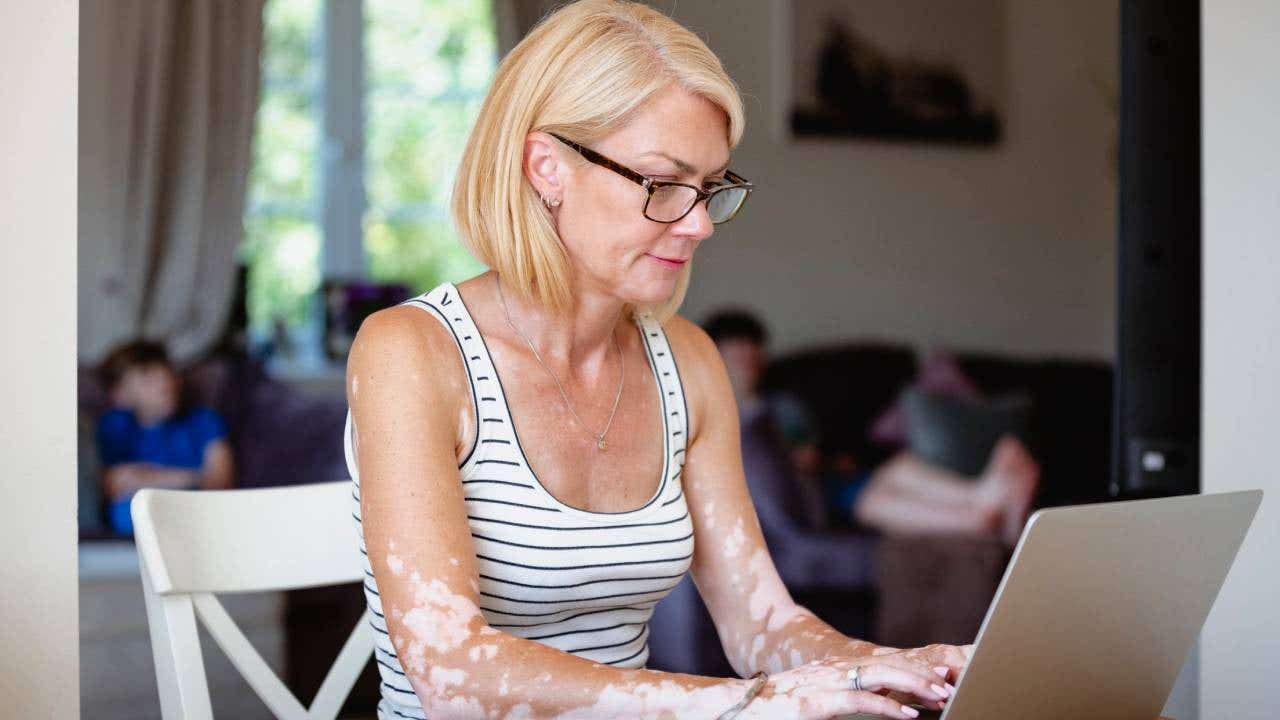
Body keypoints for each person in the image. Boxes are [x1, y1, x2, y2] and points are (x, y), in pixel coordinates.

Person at [344, 2, 970, 718]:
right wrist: (745, 705)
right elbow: (450, 672)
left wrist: (902, 668)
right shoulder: (411, 352)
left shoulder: (689, 362)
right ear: (547, 166)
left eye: (709, 187)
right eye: (663, 184)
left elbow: (761, 623)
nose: (700, 222)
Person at [703, 309, 1039, 548]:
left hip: (827, 478)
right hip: (807, 496)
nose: (748, 353)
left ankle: (983, 496)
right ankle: (984, 518)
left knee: (899, 468)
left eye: (753, 345)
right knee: (872, 500)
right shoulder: (713, 406)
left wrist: (825, 458)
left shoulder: (785, 405)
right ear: (714, 351)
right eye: (737, 345)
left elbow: (811, 452)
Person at [95, 339, 234, 535]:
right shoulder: (114, 425)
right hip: (144, 521)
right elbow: (112, 484)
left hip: (199, 516)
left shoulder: (204, 421)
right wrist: (195, 478)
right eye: (147, 378)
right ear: (120, 396)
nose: (164, 382)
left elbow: (220, 484)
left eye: (167, 372)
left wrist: (143, 477)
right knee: (125, 513)